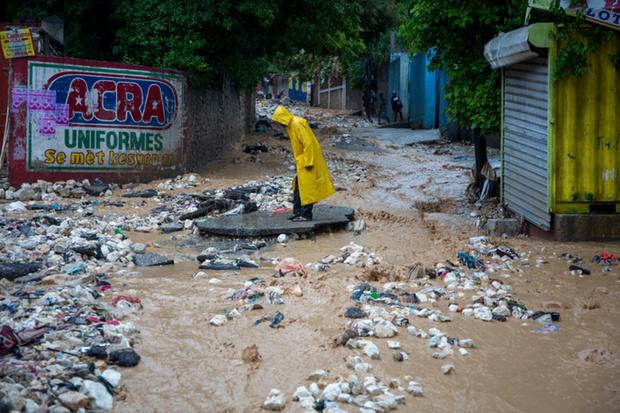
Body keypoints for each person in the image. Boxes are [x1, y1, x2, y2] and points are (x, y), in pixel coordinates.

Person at [272, 106, 336, 221]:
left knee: (308, 189)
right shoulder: (292, 126)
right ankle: (298, 212)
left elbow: (308, 143)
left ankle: (306, 215)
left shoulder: (297, 124)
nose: (278, 124)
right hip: (303, 160)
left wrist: (309, 161)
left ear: (282, 118)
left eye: (278, 121)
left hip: (307, 161)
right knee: (298, 186)